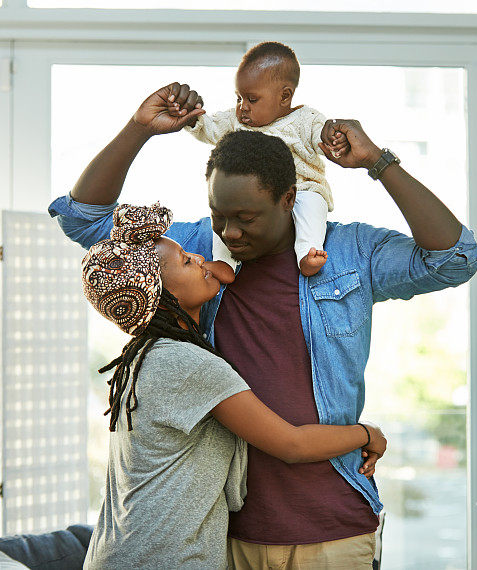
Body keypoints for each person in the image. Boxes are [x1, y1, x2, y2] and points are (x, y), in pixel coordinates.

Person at [49, 81, 477, 569]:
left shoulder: (348, 254)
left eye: (246, 217)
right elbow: (83, 221)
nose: (230, 232)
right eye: (219, 215)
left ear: (288, 198)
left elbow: (456, 259)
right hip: (229, 536)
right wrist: (138, 130)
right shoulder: (196, 257)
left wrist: (378, 163)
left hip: (333, 527)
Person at [80, 201, 387, 569]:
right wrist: (367, 434)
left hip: (128, 550)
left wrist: (209, 270)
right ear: (162, 299)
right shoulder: (188, 365)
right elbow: (292, 444)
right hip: (163, 559)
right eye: (185, 262)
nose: (198, 256)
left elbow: (224, 274)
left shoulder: (147, 355)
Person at [180, 41, 347, 277]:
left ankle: (307, 254)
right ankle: (224, 263)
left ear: (285, 96)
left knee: (312, 209)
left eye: (252, 99)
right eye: (239, 98)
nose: (242, 108)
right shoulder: (234, 121)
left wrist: (333, 136)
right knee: (225, 223)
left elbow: (321, 135)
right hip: (245, 199)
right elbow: (211, 128)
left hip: (304, 187)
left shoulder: (305, 119)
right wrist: (192, 119)